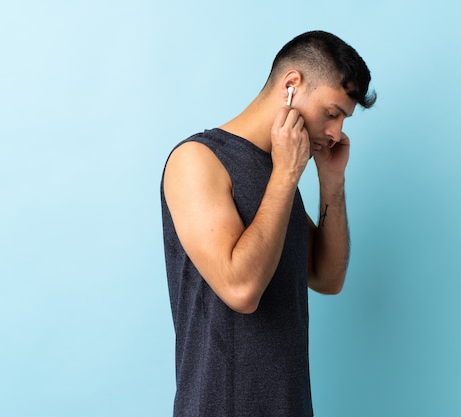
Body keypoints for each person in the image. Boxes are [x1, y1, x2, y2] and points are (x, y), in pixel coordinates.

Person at [160, 30, 376, 417]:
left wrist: (331, 181)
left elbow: (328, 279)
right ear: (291, 86)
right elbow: (241, 289)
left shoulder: (280, 173)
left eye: (343, 120)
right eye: (331, 114)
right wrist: (286, 174)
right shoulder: (197, 160)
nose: (336, 133)